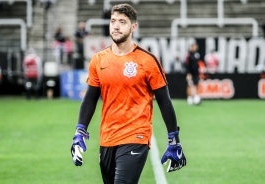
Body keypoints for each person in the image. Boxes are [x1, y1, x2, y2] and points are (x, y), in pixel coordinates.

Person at [70, 4, 186, 184]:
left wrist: (174, 139)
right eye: (113, 21)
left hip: (136, 135)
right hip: (107, 138)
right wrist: (80, 131)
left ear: (133, 27)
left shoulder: (148, 61)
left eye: (122, 22)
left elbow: (164, 101)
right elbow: (90, 99)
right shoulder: (98, 60)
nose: (116, 26)